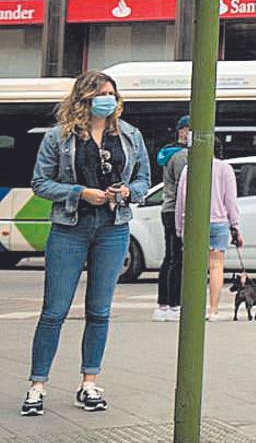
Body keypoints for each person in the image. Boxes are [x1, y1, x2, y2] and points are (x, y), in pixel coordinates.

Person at [23, 71, 150, 416]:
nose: (107, 99)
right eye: (100, 94)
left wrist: (127, 193)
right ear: (84, 99)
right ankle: (37, 386)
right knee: (54, 311)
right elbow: (40, 183)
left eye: (111, 93)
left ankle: (89, 383)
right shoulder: (60, 137)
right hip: (70, 228)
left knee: (99, 311)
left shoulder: (129, 135)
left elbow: (143, 180)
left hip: (113, 228)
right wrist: (80, 193)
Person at [175, 141, 241, 322]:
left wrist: (180, 227)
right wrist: (235, 225)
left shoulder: (189, 170)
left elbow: (181, 200)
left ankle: (194, 308)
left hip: (193, 223)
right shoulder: (225, 169)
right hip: (219, 222)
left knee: (194, 268)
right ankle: (213, 310)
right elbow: (231, 201)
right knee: (216, 267)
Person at [152, 115, 190, 322]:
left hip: (168, 209)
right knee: (178, 259)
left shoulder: (169, 153)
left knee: (171, 258)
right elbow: (186, 188)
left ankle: (164, 304)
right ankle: (174, 304)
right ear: (182, 131)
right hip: (178, 210)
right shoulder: (183, 156)